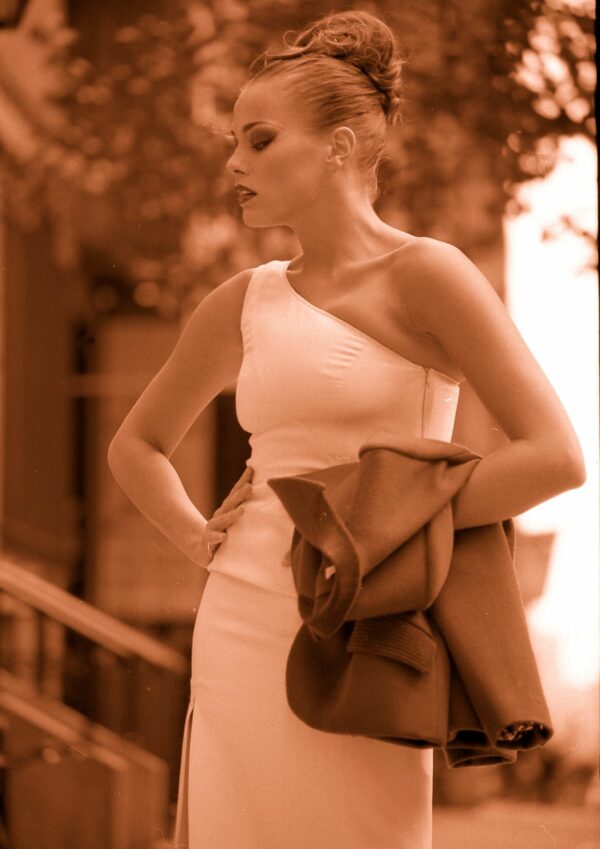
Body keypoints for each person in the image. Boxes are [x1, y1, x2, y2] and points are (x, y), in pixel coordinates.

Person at [107, 10, 586, 849]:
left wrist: (387, 524)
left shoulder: (429, 274)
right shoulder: (241, 301)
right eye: (233, 141)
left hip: (373, 622)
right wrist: (197, 538)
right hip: (243, 617)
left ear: (338, 146)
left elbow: (555, 457)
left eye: (259, 140)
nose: (234, 162)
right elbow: (135, 446)